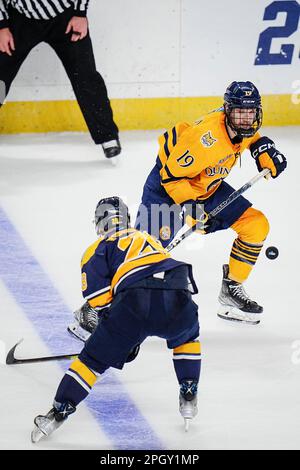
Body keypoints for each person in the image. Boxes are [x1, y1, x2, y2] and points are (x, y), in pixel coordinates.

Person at [31, 197, 201, 442]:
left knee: (91, 361)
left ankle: (58, 412)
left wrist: (122, 334)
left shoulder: (98, 247)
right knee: (187, 336)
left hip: (134, 303)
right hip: (177, 288)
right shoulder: (149, 239)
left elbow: (99, 298)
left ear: (100, 222)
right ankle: (188, 390)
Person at [135, 81, 287, 325]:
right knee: (146, 251)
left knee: (256, 225)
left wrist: (262, 149)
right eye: (240, 112)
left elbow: (250, 136)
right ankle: (98, 307)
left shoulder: (238, 126)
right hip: (167, 190)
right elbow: (172, 177)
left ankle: (231, 290)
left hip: (207, 186)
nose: (246, 118)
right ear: (227, 110)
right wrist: (193, 211)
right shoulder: (206, 139)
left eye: (251, 112)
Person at [0, 0, 121, 159]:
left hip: (66, 17)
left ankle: (107, 136)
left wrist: (80, 13)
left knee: (85, 76)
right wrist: (2, 25)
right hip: (19, 18)